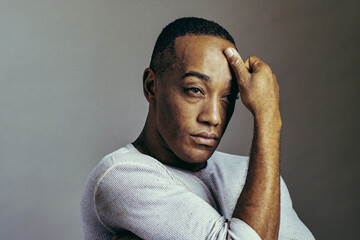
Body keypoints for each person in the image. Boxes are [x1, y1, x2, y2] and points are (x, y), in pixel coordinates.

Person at [81, 17, 315, 240]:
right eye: (195, 90)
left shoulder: (251, 173)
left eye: (228, 97)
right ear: (151, 87)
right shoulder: (120, 176)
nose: (213, 117)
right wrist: (268, 117)